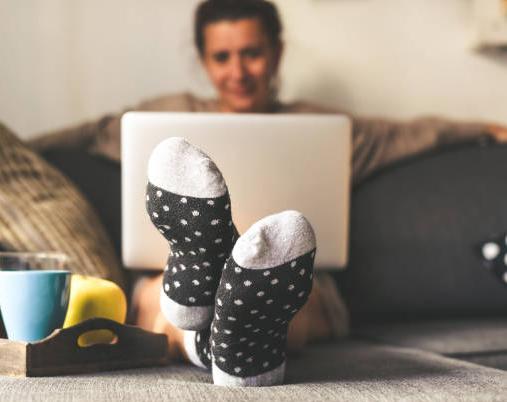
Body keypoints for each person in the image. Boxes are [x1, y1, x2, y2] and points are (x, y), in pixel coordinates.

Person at [29, 0, 507, 364]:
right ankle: (228, 336)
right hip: (168, 274)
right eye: (222, 57)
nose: (237, 73)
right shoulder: (166, 115)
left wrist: (482, 130)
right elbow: (89, 134)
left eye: (252, 54)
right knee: (160, 294)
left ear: (277, 53)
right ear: (203, 59)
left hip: (300, 283)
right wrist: (22, 146)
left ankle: (223, 328)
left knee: (291, 298)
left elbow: (409, 134)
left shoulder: (324, 128)